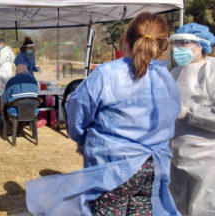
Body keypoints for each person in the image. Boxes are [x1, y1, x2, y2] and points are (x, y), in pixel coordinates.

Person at [26, 12, 181, 215]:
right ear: (163, 45)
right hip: (152, 168)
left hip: (112, 169)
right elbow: (170, 118)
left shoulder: (107, 73)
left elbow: (77, 110)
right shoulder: (167, 78)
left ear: (126, 39)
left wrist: (81, 138)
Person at [168, 23, 215, 216]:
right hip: (176, 156)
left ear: (200, 45)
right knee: (177, 207)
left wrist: (189, 112)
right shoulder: (175, 73)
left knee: (203, 209)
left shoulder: (212, 72)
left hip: (207, 159)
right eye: (176, 43)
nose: (178, 48)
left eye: (184, 43)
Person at [1, 64, 39, 134]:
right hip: (32, 111)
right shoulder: (34, 80)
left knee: (5, 105)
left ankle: (10, 130)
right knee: (26, 105)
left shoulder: (12, 80)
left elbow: (4, 98)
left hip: (16, 111)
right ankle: (20, 129)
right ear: (27, 71)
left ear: (16, 72)